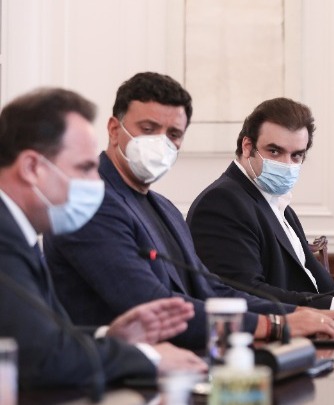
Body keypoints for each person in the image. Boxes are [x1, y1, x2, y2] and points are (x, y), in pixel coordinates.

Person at [43, 73, 334, 351]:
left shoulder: (164, 207)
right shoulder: (89, 203)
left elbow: (213, 290)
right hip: (111, 376)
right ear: (114, 129)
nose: (161, 143)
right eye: (148, 128)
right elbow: (156, 308)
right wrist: (277, 325)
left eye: (173, 134)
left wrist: (300, 314)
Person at [0, 87, 207, 390]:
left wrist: (109, 337)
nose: (96, 183)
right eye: (85, 168)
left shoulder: (17, 232)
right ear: (32, 168)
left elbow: (44, 336)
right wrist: (148, 357)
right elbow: (43, 359)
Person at [187, 97, 334, 315]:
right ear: (247, 147)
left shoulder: (278, 204)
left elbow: (324, 289)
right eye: (275, 151)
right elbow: (245, 292)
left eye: (296, 155)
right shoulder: (222, 202)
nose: (287, 164)